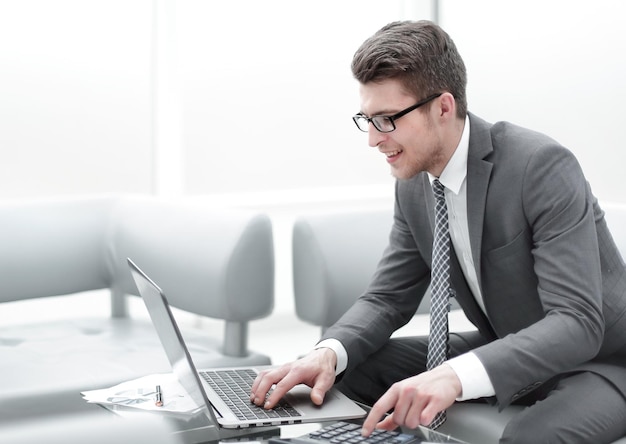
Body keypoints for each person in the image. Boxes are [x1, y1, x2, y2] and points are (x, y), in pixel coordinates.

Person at [250, 20, 626, 443]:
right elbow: (388, 298)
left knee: (531, 437)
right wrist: (326, 353)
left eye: (387, 119)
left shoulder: (540, 167)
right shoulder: (414, 185)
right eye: (367, 119)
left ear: (443, 107)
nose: (374, 139)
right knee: (351, 368)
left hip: (599, 361)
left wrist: (452, 377)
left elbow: (577, 322)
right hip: (505, 344)